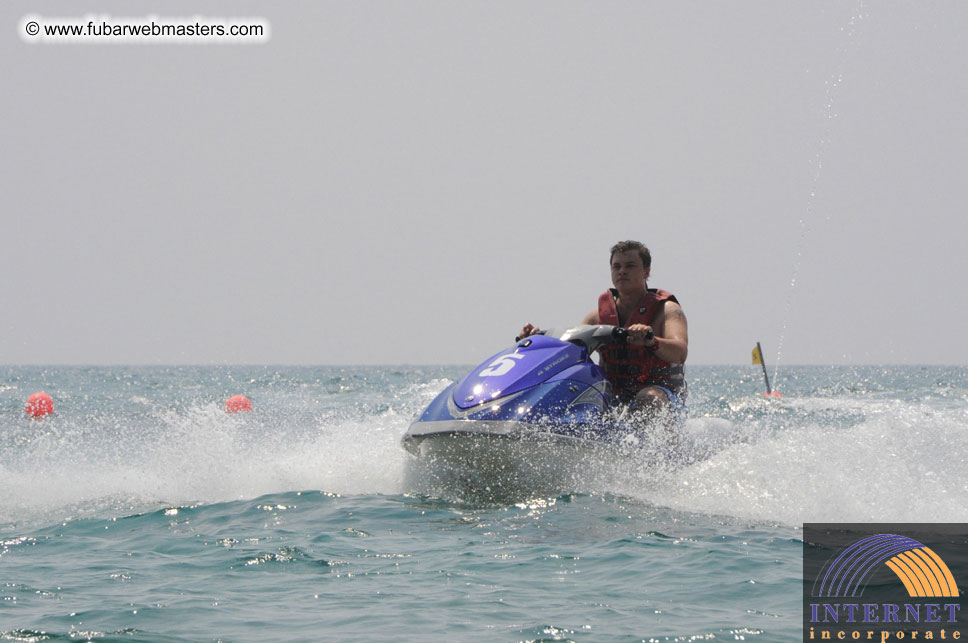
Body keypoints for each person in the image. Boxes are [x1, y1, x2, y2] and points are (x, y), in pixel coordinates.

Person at [519, 240, 688, 421]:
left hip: (663, 396)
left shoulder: (667, 310)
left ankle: (666, 449)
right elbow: (569, 348)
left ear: (646, 272)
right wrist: (536, 339)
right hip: (614, 394)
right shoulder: (597, 317)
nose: (622, 271)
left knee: (648, 398)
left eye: (630, 266)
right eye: (617, 266)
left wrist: (651, 341)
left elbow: (680, 352)